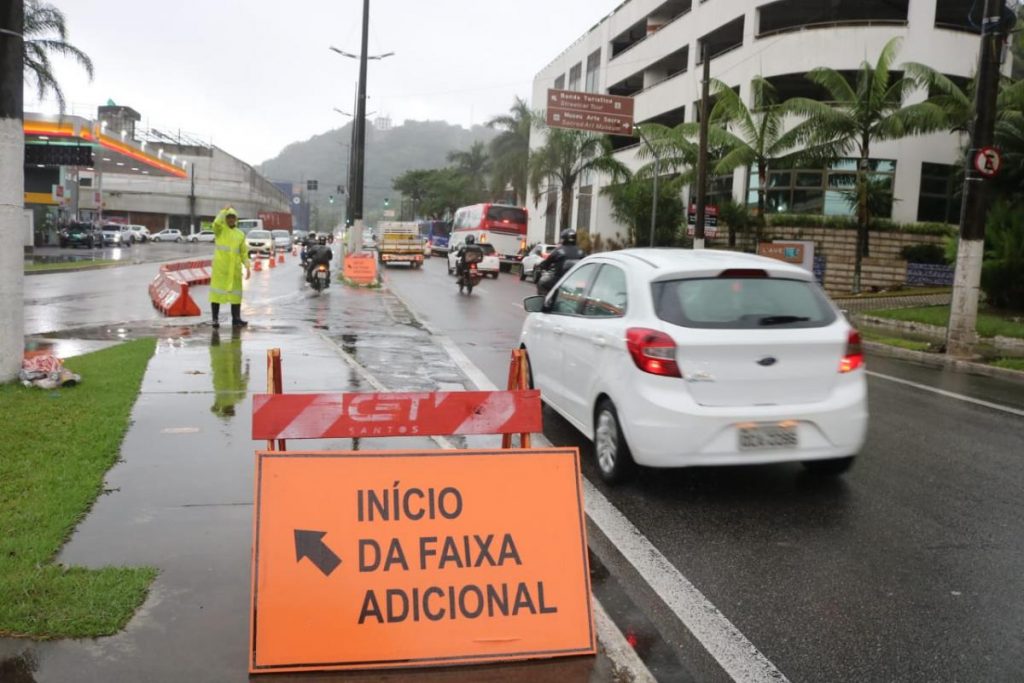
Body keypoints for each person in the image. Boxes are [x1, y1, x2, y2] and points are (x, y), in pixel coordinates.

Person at [209, 207, 251, 328]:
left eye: (233, 217)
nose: (231, 219)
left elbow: (243, 253)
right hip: (221, 269)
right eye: (228, 217)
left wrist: (247, 266)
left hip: (235, 271)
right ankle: (215, 319)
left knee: (236, 295)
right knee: (216, 294)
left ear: (236, 219)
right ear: (225, 219)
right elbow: (216, 223)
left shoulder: (240, 234)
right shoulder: (220, 230)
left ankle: (236, 319)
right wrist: (223, 211)